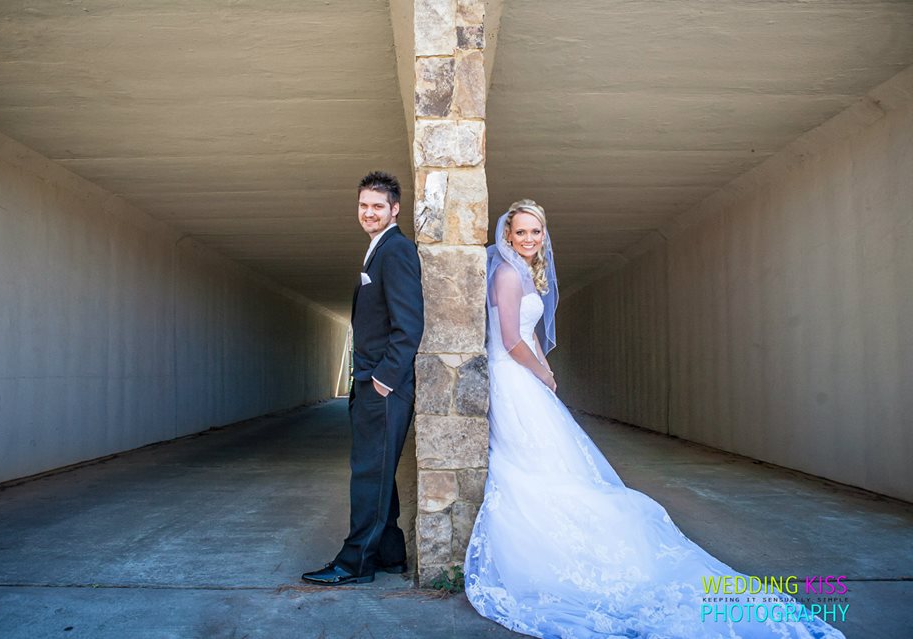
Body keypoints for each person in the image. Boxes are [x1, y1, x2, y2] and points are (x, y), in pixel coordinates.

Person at [464, 199, 846, 638]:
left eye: (536, 232)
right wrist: (546, 373)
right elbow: (512, 340)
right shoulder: (509, 274)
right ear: (507, 236)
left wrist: (540, 373)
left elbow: (526, 335)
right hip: (514, 379)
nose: (530, 240)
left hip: (523, 379)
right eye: (522, 233)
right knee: (531, 469)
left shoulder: (525, 272)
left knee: (551, 464)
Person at [302, 171, 424, 586]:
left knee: (369, 474)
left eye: (377, 206)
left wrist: (384, 380)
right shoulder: (378, 250)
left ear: (395, 209)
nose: (369, 213)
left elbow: (409, 324)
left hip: (384, 388)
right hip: (372, 385)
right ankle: (390, 554)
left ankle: (355, 563)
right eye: (363, 205)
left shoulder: (397, 250)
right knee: (378, 471)